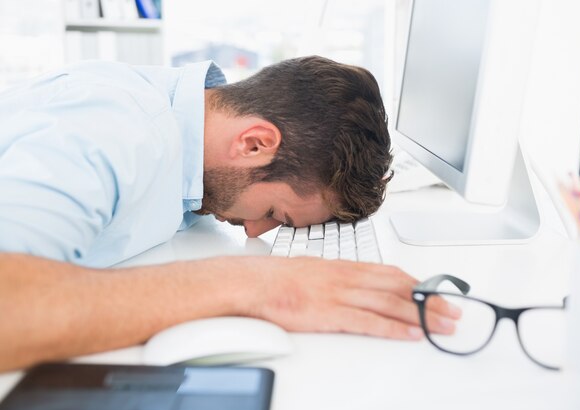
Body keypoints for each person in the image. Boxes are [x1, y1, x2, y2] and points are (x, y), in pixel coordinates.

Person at [0, 56, 461, 372]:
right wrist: (259, 286)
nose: (256, 231)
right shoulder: (113, 130)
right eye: (275, 213)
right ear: (254, 143)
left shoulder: (196, 134)